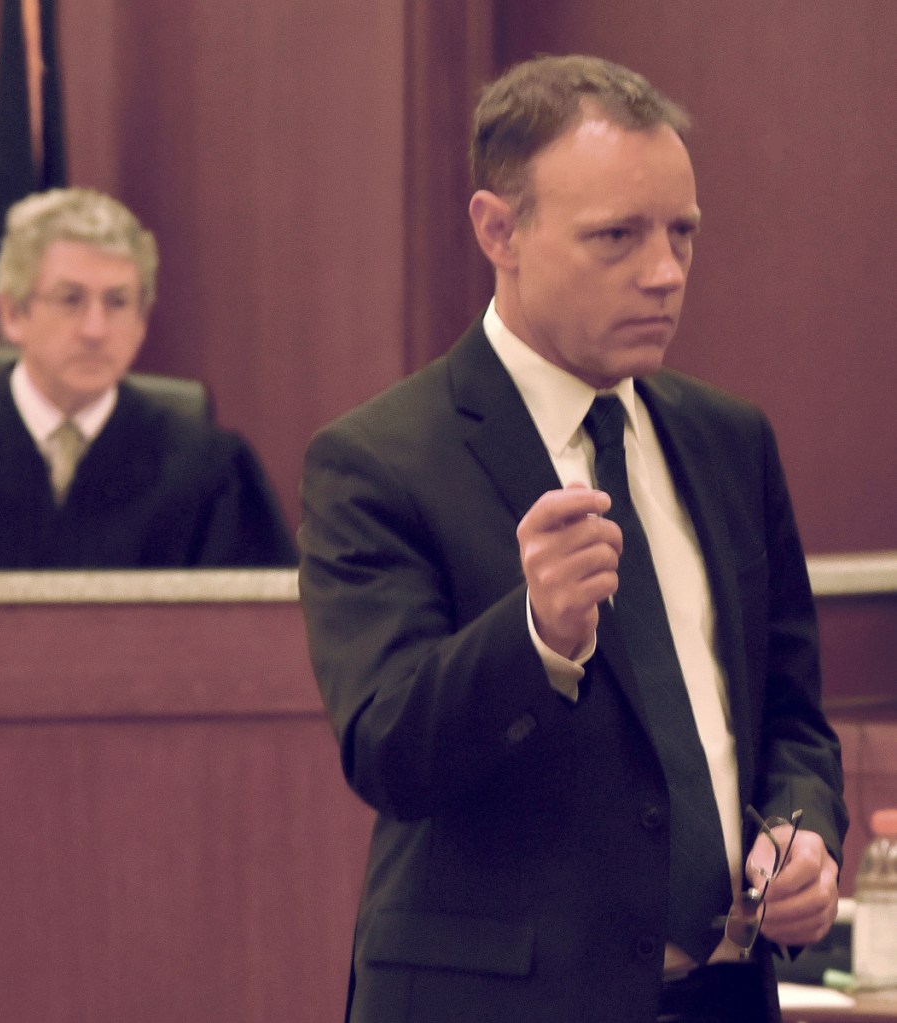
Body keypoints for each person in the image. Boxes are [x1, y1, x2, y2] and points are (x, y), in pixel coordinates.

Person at [298, 55, 847, 1023]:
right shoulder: (378, 459)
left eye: (683, 234)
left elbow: (790, 715)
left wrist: (800, 835)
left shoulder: (729, 440)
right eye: (617, 237)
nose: (665, 272)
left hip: (728, 997)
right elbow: (387, 750)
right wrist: (538, 638)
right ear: (497, 230)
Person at [0, 187, 295, 569]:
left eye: (117, 302)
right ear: (12, 314)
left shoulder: (208, 468)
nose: (95, 329)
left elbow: (250, 634)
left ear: (141, 320)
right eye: (71, 300)